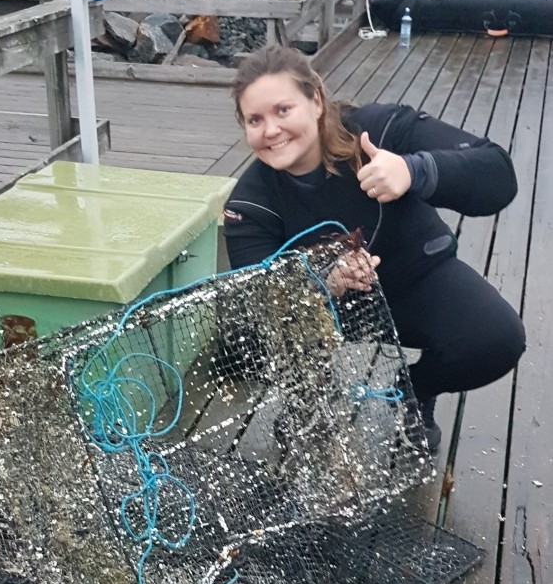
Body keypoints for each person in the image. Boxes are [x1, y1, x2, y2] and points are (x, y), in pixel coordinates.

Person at [223, 45, 526, 452]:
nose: (271, 130)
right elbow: (257, 299)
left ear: (315, 100)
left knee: (496, 338)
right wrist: (323, 282)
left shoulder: (378, 130)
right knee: (248, 341)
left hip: (414, 283)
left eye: (282, 110)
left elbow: (497, 174)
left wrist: (414, 170)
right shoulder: (249, 204)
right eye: (254, 120)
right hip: (328, 312)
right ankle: (307, 404)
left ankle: (414, 392)